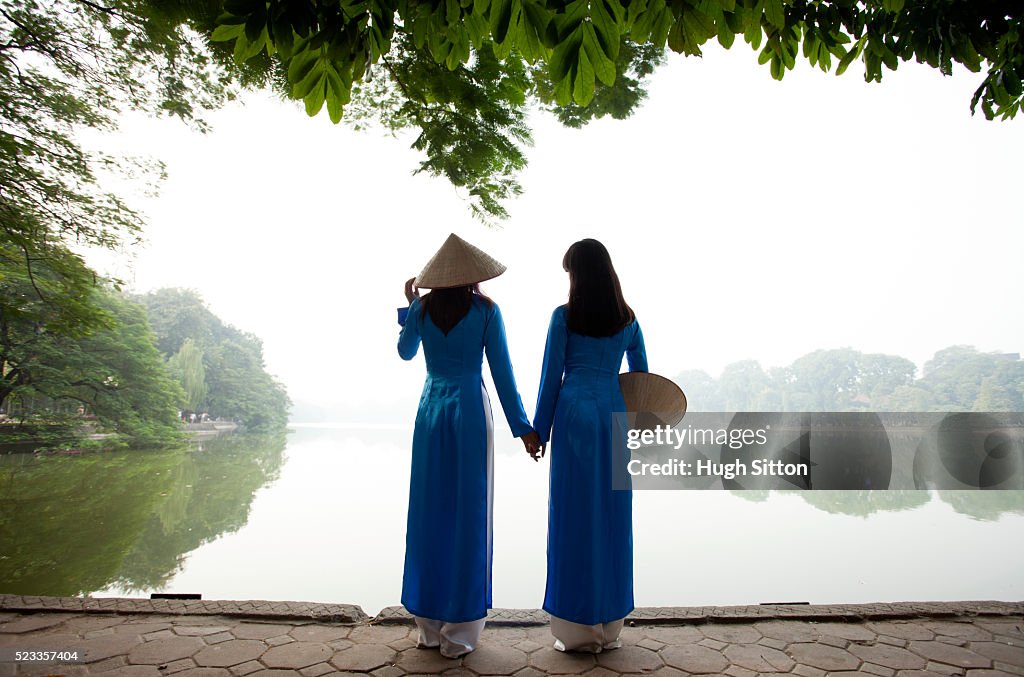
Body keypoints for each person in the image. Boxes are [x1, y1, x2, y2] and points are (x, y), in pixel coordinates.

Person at [397, 233, 542, 658]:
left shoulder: (422, 309)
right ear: (472, 276)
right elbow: (502, 373)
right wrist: (524, 429)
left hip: (430, 411)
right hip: (471, 412)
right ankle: (459, 634)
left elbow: (405, 353)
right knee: (469, 513)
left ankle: (428, 626)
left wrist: (408, 303)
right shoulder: (486, 311)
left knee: (428, 511)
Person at [532, 238, 648, 653]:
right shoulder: (628, 319)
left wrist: (538, 432)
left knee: (574, 517)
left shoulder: (564, 317)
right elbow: (642, 377)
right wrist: (639, 422)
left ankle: (578, 631)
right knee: (612, 518)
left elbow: (550, 377)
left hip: (575, 416)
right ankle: (610, 625)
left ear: (578, 275)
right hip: (613, 418)